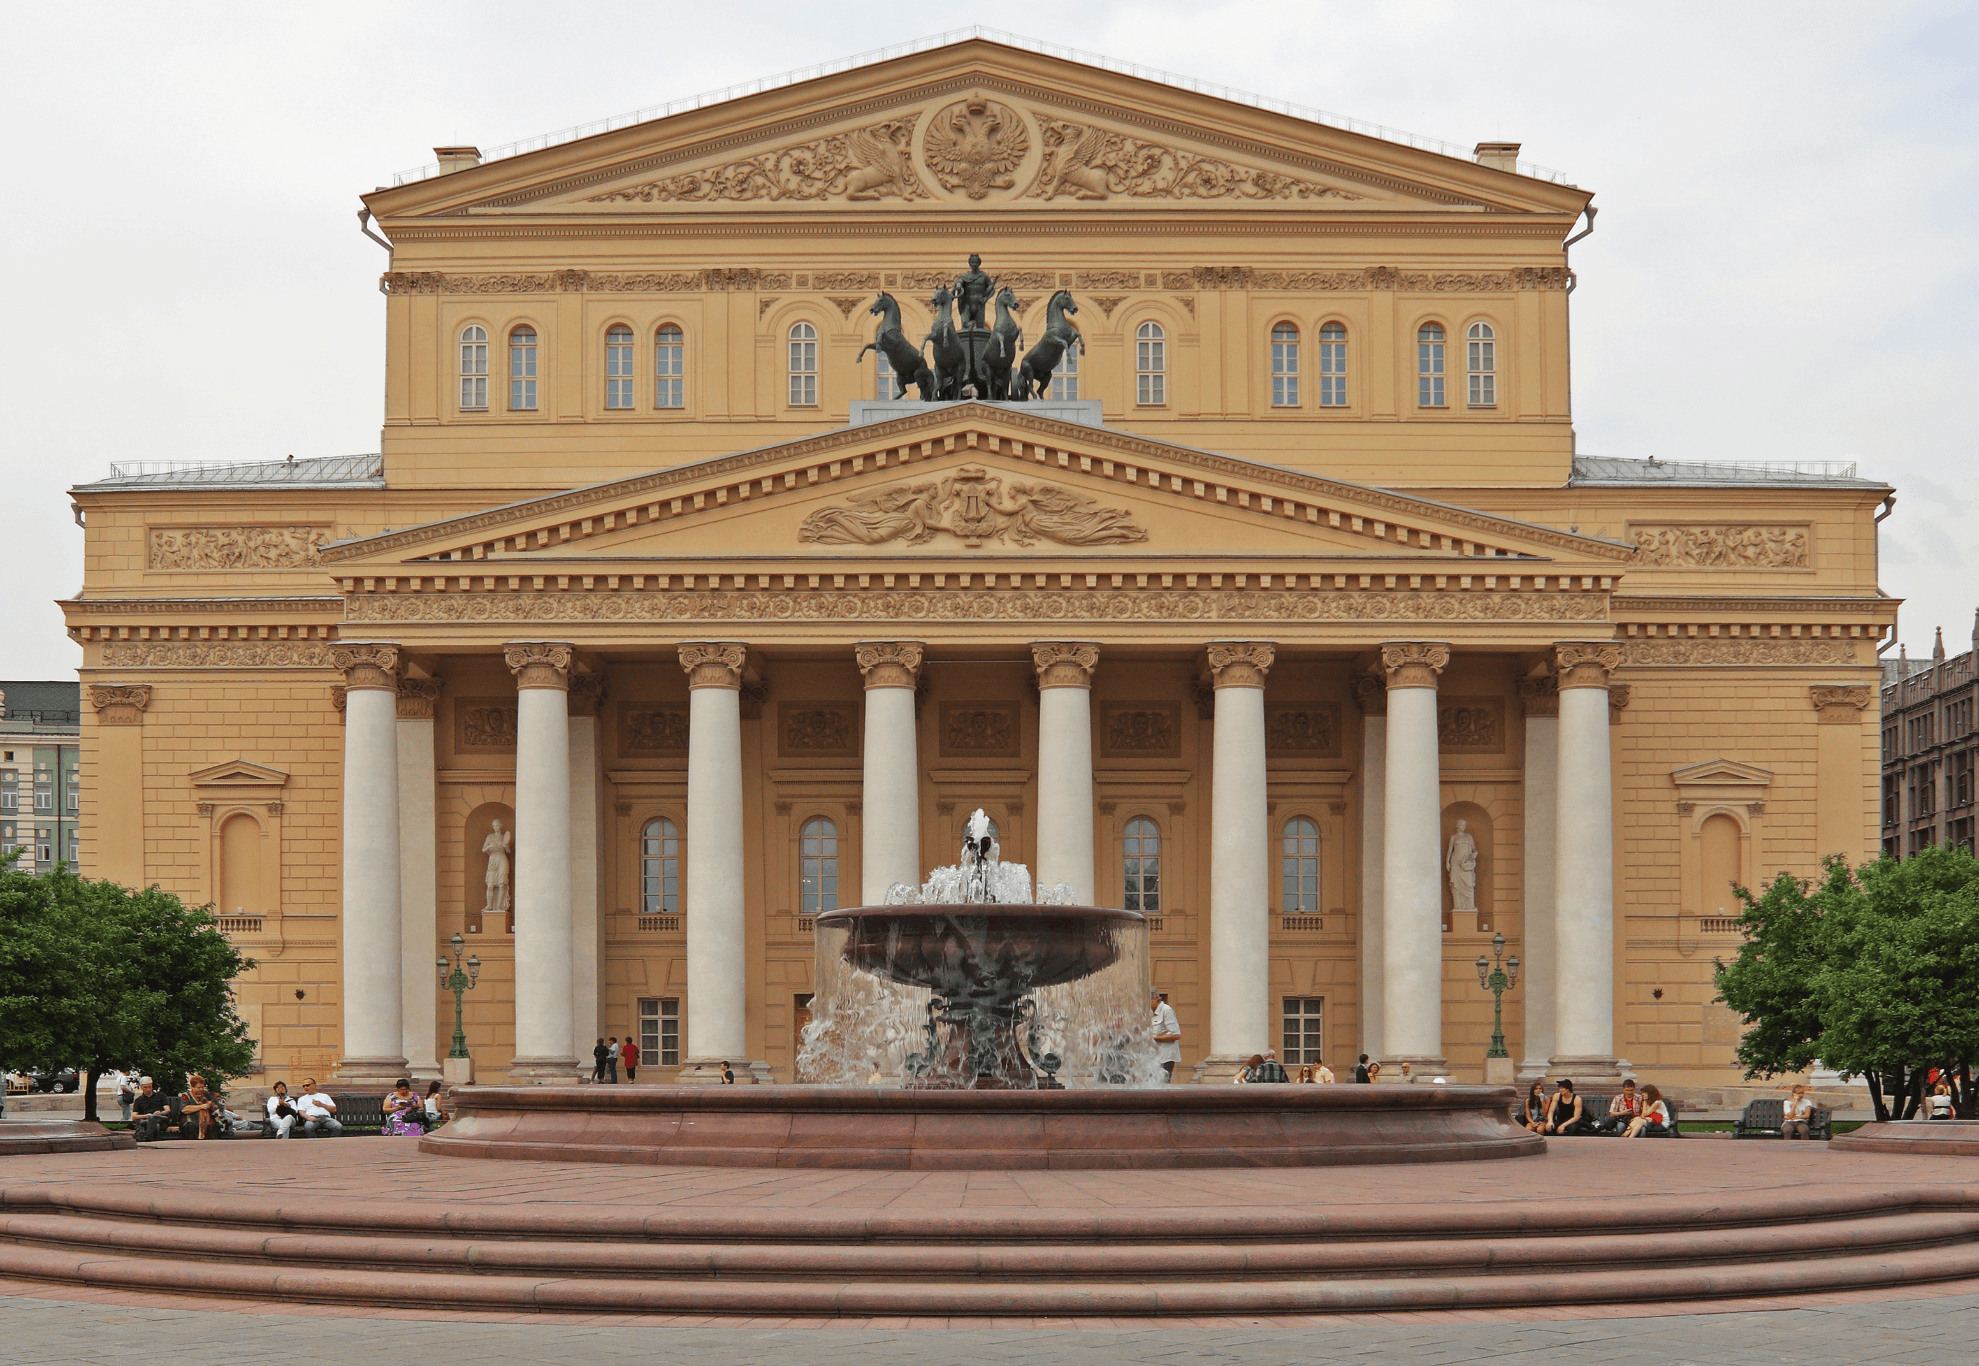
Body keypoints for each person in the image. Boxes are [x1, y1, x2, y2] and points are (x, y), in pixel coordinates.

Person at [1150, 991, 1182, 1083]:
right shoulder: (1152, 1013)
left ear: (1155, 998)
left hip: (1166, 1057)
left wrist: (1155, 1038)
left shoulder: (1166, 1011)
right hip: (1156, 1056)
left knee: (1162, 1084)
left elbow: (1175, 1034)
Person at [130, 1077, 174, 1142]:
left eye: (149, 1087)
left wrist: (161, 1113)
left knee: (153, 1117)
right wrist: (145, 1116)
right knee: (151, 1119)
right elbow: (134, 1116)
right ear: (141, 1088)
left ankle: (147, 1136)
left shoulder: (161, 1096)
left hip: (160, 1118)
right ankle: (149, 1136)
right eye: (145, 1087)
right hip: (147, 1119)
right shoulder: (139, 1100)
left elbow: (167, 1110)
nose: (148, 1089)